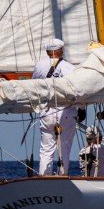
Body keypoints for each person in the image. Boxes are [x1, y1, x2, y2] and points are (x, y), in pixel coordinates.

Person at [31, 37, 79, 176]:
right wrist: (81, 110)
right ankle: (62, 174)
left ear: (47, 52)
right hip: (66, 111)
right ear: (61, 50)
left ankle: (44, 176)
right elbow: (76, 91)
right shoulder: (70, 68)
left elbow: (33, 85)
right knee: (65, 146)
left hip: (46, 111)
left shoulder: (40, 66)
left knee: (46, 148)